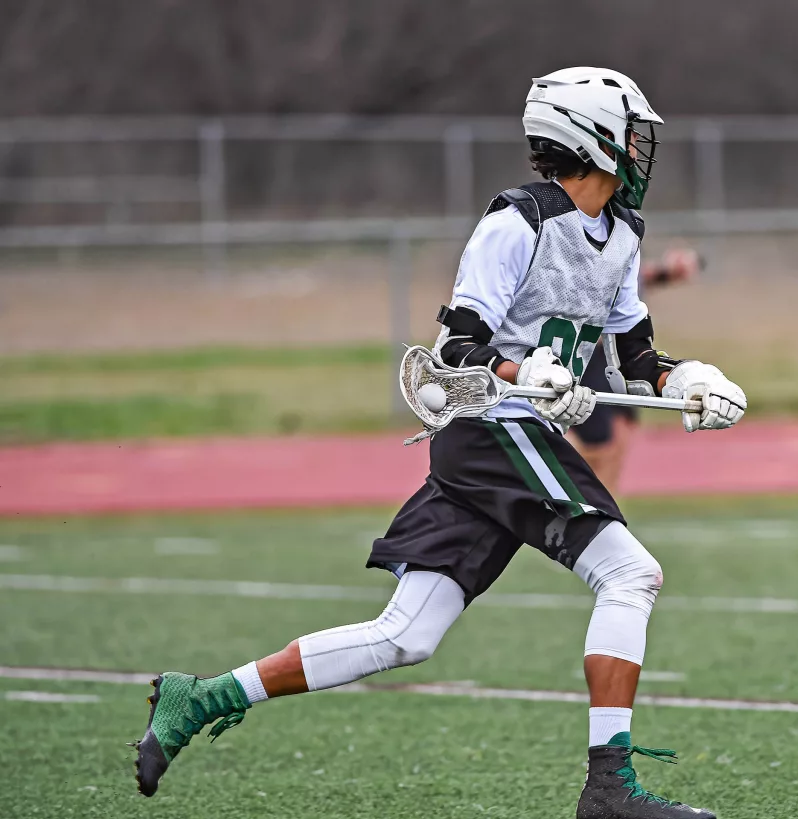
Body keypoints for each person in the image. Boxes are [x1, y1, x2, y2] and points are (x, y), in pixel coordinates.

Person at [130, 67, 746, 819]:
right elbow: (456, 352)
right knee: (631, 574)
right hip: (489, 430)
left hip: (514, 437)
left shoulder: (622, 235)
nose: (642, 152)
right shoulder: (517, 222)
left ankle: (201, 697)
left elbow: (637, 360)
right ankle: (609, 790)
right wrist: (528, 371)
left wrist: (688, 382)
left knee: (405, 635)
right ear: (592, 137)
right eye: (632, 135)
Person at [570, 247, 702, 493]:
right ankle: (576, 504)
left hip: (618, 354)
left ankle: (608, 510)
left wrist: (668, 271)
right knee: (596, 444)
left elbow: (636, 277)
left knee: (622, 431)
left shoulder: (621, 237)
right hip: (589, 354)